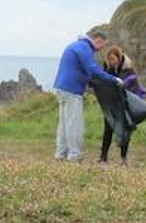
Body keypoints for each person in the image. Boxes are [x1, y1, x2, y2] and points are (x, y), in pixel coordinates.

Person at [52, 28, 125, 162]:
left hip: (61, 87)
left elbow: (84, 70)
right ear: (98, 40)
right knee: (74, 123)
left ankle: (60, 153)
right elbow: (92, 68)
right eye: (102, 45)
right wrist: (114, 79)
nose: (101, 48)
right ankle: (74, 155)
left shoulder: (75, 46)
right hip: (72, 89)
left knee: (64, 123)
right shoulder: (84, 48)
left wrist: (89, 81)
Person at [98, 45, 144, 163]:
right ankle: (103, 156)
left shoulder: (128, 70)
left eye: (113, 59)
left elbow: (134, 87)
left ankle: (123, 157)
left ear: (119, 58)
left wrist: (125, 85)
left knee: (125, 131)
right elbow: (102, 83)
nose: (111, 62)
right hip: (111, 104)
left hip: (124, 104)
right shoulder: (107, 69)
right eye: (109, 59)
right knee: (108, 130)